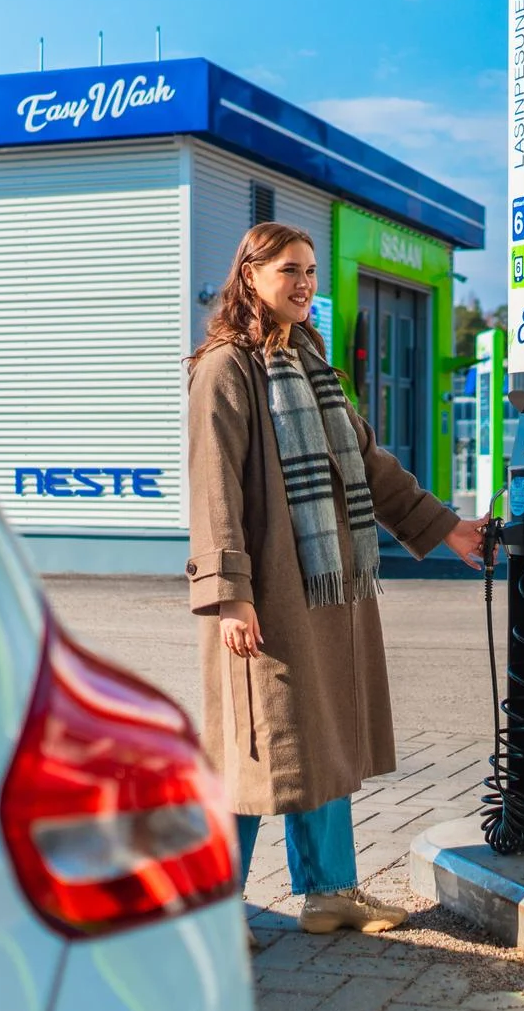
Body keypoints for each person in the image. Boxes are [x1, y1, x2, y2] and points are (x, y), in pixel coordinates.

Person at [186, 223, 489, 945]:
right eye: (289, 270)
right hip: (265, 591)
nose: (304, 283)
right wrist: (229, 592)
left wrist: (447, 527)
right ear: (250, 274)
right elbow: (213, 488)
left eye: (313, 271)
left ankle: (329, 894)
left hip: (323, 589)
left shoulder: (310, 360)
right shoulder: (226, 368)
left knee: (316, 739)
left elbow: (368, 461)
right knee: (258, 750)